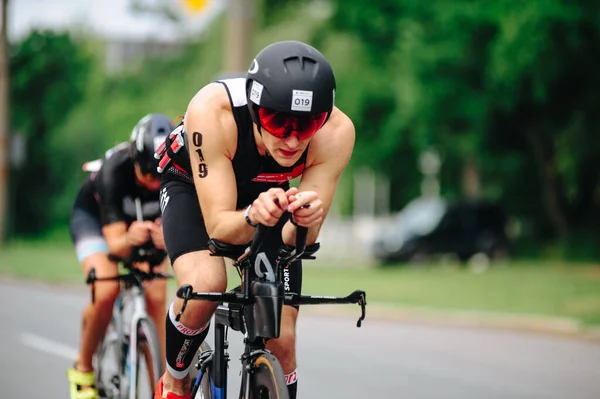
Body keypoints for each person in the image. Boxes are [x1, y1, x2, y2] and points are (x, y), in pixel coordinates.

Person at [154, 40, 355, 399]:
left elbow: (301, 241)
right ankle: (174, 381)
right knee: (207, 283)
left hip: (268, 195)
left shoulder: (335, 132)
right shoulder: (212, 111)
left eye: (306, 125)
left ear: (322, 118)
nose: (292, 140)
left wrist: (304, 220)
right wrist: (251, 215)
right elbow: (219, 228)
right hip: (194, 185)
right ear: (254, 108)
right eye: (278, 121)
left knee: (282, 337)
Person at [67, 113, 175, 399]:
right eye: (148, 175)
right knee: (106, 290)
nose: (154, 184)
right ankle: (83, 367)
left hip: (143, 231)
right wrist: (129, 238)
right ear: (135, 161)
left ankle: (161, 386)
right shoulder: (116, 169)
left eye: (160, 176)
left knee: (155, 295)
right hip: (96, 221)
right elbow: (115, 246)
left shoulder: (176, 169)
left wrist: (168, 238)